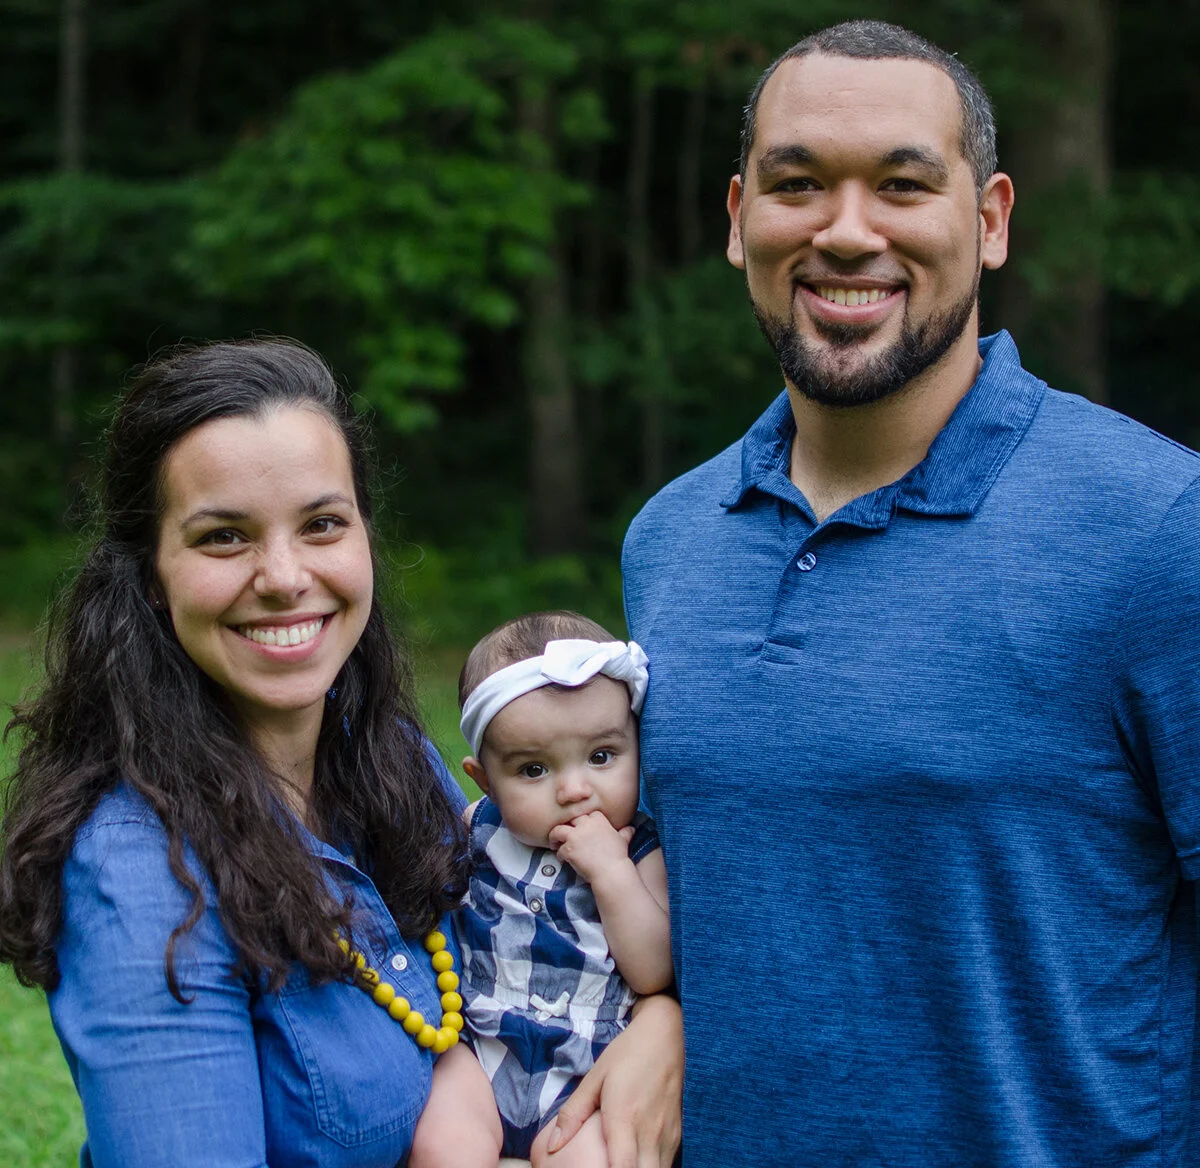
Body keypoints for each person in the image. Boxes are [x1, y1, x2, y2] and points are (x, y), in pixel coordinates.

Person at [623, 18, 1200, 1168]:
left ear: (989, 220)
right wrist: (662, 1013)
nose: (847, 230)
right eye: (798, 184)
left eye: (901, 184)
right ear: (739, 219)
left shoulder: (1157, 526)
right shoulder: (669, 541)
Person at [0, 339, 682, 1168]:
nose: (284, 576)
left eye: (322, 524)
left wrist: (660, 1025)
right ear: (152, 577)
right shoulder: (143, 874)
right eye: (223, 536)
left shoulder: (389, 760)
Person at [410, 612, 672, 1168]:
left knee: (596, 1158)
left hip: (588, 1069)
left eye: (601, 757)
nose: (574, 789)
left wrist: (611, 874)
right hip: (480, 1049)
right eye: (533, 770)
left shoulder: (637, 849)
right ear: (485, 781)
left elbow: (654, 970)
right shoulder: (476, 829)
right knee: (441, 1144)